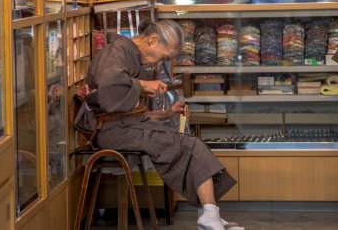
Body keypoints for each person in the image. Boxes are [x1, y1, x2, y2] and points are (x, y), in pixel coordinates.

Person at [81, 19, 244, 230]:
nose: (159, 64)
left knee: (189, 141)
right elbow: (109, 86)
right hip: (112, 131)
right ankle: (209, 214)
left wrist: (167, 113)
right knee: (186, 144)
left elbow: (131, 112)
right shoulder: (117, 50)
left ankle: (209, 212)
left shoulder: (131, 56)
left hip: (124, 126)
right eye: (163, 57)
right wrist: (143, 83)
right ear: (153, 40)